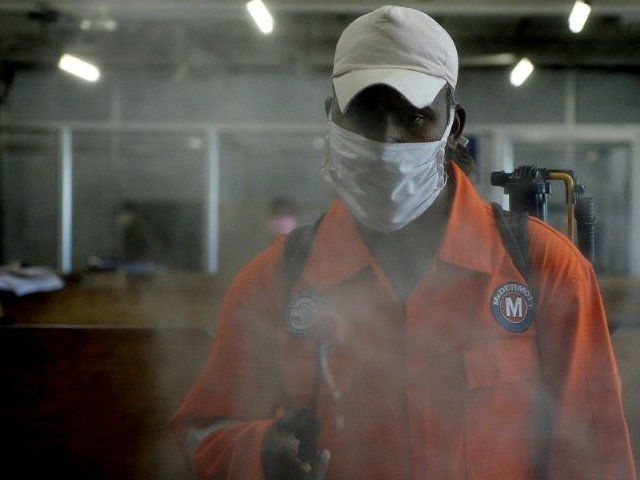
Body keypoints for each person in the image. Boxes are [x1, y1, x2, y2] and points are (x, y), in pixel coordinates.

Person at [171, 6, 636, 480]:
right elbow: (202, 436)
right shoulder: (273, 284)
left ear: (454, 126)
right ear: (331, 117)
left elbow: (596, 457)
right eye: (365, 113)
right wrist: (259, 452)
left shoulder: (545, 269)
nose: (387, 141)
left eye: (413, 117)